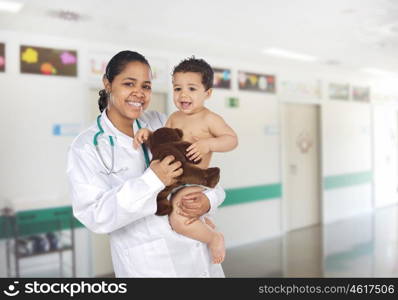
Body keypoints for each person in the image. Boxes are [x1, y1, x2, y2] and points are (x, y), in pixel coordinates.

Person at [66, 50, 226, 277]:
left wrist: (208, 201)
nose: (139, 93)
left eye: (146, 86)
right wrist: (153, 181)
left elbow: (206, 177)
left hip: (202, 259)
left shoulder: (164, 123)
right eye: (129, 83)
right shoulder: (86, 146)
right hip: (151, 267)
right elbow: (95, 216)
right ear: (108, 83)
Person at [134, 57, 238, 264]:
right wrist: (148, 134)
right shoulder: (174, 117)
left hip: (192, 180)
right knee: (166, 209)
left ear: (207, 93)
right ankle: (203, 223)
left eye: (191, 88)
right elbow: (165, 138)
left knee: (179, 219)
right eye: (177, 88)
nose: (183, 94)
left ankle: (213, 237)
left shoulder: (209, 119)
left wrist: (208, 144)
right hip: (172, 180)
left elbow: (231, 140)